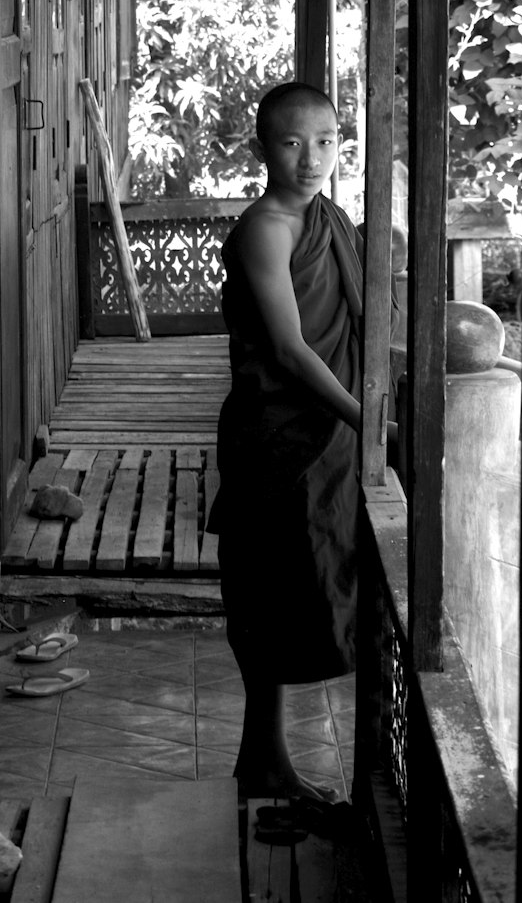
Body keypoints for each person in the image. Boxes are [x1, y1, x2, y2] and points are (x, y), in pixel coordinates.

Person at [206, 81, 397, 805]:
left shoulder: (329, 218)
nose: (310, 157)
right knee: (270, 588)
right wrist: (366, 418)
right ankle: (267, 760)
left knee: (302, 584)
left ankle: (266, 761)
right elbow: (287, 349)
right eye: (291, 141)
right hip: (281, 432)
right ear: (262, 148)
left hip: (329, 430)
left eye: (325, 140)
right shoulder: (269, 228)